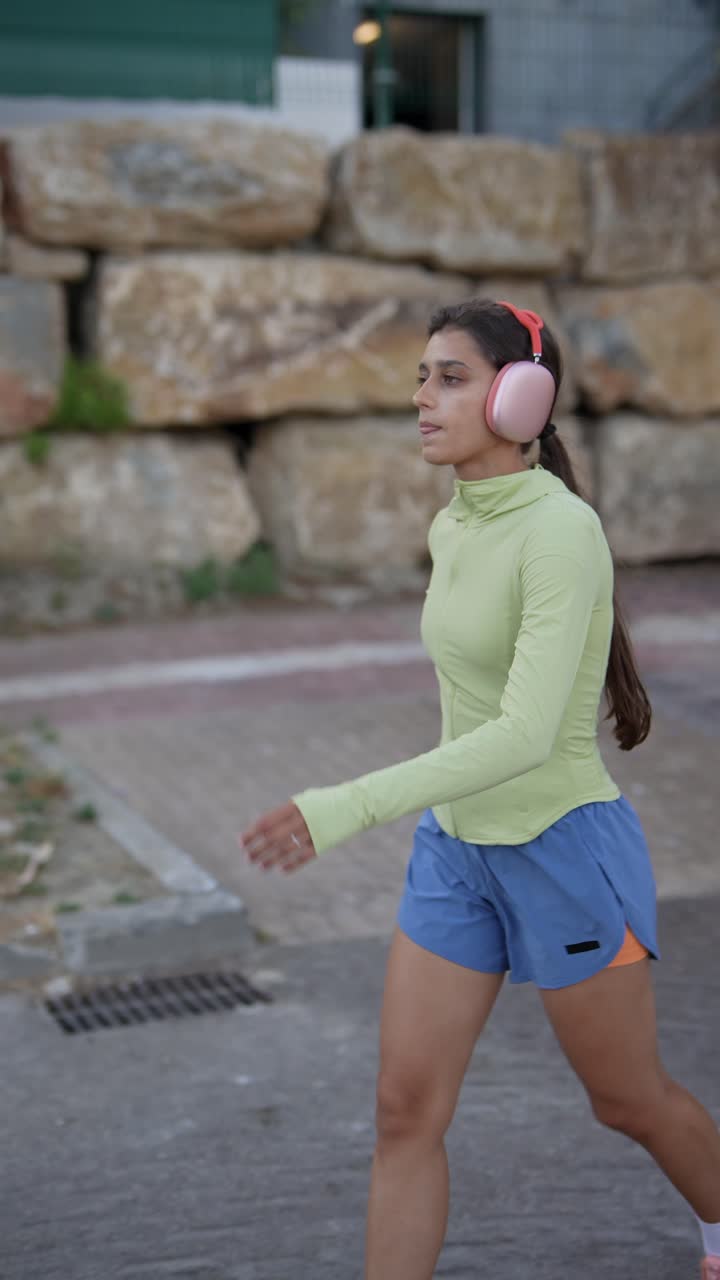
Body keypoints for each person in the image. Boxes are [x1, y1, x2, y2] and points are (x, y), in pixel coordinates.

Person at [241, 298, 720, 1280]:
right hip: (455, 856)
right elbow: (468, 717)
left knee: (627, 1099)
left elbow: (523, 735)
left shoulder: (561, 532)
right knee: (403, 1111)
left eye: (449, 378)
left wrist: (348, 803)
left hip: (562, 849)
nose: (422, 398)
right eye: (419, 377)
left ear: (522, 396)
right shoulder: (455, 522)